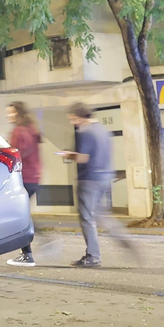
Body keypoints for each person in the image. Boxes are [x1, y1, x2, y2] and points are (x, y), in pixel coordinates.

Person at [57, 102, 112, 268]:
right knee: (97, 215)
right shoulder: (103, 130)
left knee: (87, 218)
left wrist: (68, 155)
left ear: (80, 116)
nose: (73, 123)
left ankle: (93, 256)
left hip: (88, 179)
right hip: (104, 177)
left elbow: (83, 158)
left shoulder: (85, 132)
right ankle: (120, 237)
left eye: (73, 119)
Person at [5, 102, 42, 265]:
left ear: (18, 113)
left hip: (23, 177)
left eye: (11, 113)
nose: (9, 116)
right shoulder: (32, 129)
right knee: (24, 214)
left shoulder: (18, 131)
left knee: (21, 216)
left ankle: (27, 254)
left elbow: (16, 155)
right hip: (34, 176)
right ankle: (29, 250)